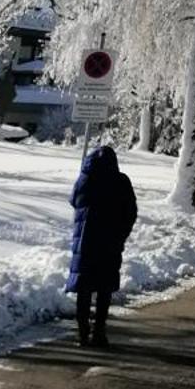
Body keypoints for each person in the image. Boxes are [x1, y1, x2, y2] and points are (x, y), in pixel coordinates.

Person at [67, 143, 138, 349]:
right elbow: (130, 212)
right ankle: (99, 332)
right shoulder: (121, 181)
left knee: (84, 288)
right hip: (110, 243)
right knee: (104, 288)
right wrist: (121, 234)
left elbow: (73, 201)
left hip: (85, 242)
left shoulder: (84, 179)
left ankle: (82, 333)